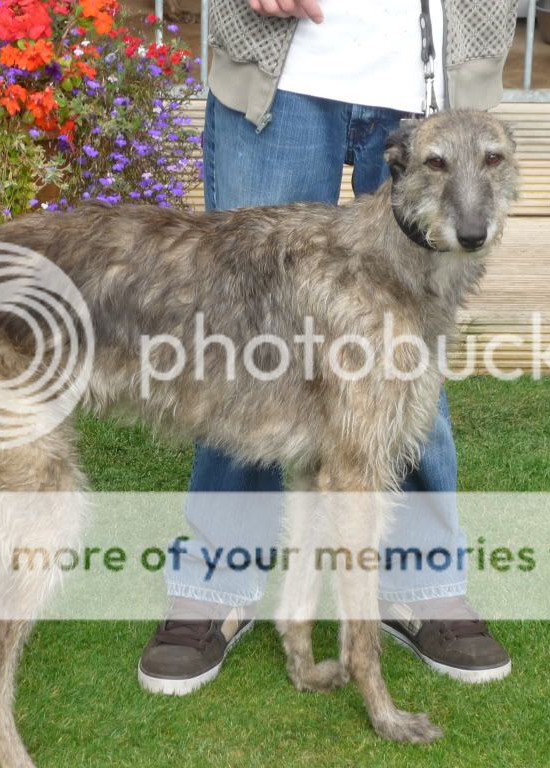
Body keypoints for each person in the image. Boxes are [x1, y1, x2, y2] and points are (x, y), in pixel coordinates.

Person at [138, 0, 518, 695]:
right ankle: (219, 579)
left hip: (430, 67)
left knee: (403, 353)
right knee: (243, 341)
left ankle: (421, 578)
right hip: (281, 63)